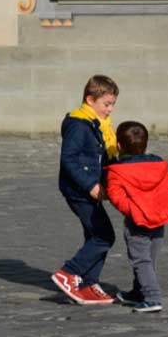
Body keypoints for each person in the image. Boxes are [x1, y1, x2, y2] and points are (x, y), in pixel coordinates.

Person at [51, 75, 120, 305]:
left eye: (112, 105)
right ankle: (69, 273)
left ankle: (88, 283)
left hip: (92, 190)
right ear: (90, 100)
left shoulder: (98, 125)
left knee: (95, 235)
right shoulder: (79, 125)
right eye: (106, 104)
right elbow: (68, 160)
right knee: (104, 235)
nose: (110, 110)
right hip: (79, 190)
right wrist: (90, 185)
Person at [105, 121, 168, 313]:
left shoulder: (117, 170)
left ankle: (152, 296)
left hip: (137, 221)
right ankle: (138, 291)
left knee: (141, 259)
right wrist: (161, 204)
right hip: (158, 218)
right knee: (150, 257)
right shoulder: (159, 165)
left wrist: (132, 210)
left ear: (118, 146)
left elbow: (116, 196)